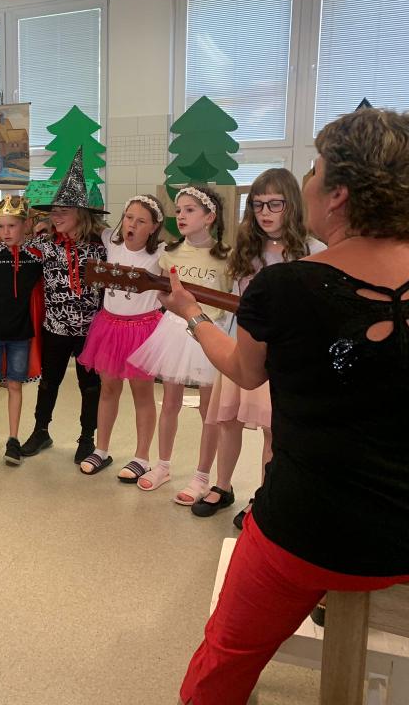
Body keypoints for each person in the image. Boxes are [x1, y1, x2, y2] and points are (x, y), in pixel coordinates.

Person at [172, 107, 409, 705]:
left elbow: (245, 371)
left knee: (223, 661)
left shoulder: (285, 287)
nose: (306, 182)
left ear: (339, 194)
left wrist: (193, 314)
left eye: (314, 169)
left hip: (305, 530)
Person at [193, 169, 323, 520]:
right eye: (258, 204)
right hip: (243, 343)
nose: (265, 212)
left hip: (286, 352)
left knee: (271, 428)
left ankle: (263, 497)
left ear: (292, 204)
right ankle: (222, 486)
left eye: (274, 204)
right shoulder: (246, 250)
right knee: (228, 419)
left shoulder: (313, 251)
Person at [127, 185, 231, 504]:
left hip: (209, 332)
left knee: (208, 410)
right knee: (170, 402)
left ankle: (202, 476)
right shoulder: (170, 253)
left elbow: (230, 298)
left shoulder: (226, 256)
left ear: (209, 217)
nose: (181, 216)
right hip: (174, 330)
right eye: (178, 210)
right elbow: (163, 293)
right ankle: (162, 466)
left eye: (189, 210)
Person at [19, 147, 108, 464]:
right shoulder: (44, 245)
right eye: (53, 210)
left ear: (81, 213)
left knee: (90, 386)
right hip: (55, 328)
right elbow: (14, 248)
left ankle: (87, 438)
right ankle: (41, 430)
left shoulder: (100, 246)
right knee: (49, 382)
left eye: (63, 210)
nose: (55, 215)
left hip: (90, 330)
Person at [76, 195, 165, 478]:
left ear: (154, 227)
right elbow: (84, 222)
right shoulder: (111, 241)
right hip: (110, 327)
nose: (132, 225)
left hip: (143, 330)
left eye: (141, 221)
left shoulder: (161, 253)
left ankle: (142, 457)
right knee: (109, 389)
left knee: (142, 393)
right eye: (128, 218)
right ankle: (101, 449)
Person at [0, 194, 44, 464]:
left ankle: (13, 438)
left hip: (21, 334)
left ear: (25, 225)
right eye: (1, 226)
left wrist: (38, 229)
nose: (6, 232)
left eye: (12, 226)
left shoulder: (36, 258)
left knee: (15, 385)